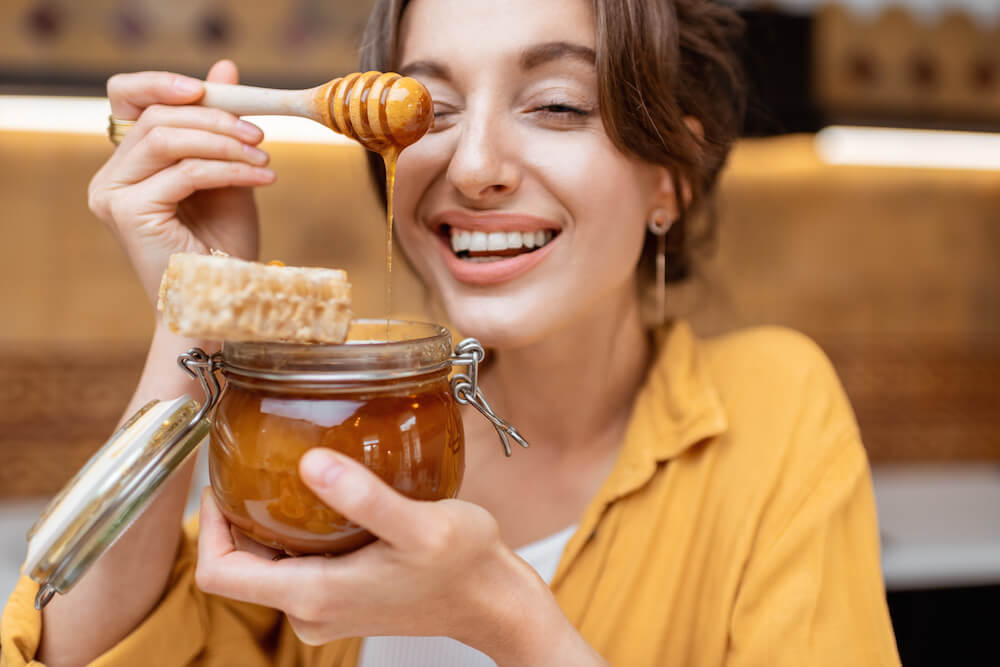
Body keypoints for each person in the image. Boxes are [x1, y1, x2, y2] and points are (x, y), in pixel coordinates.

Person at [1, 1, 901, 665]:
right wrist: (200, 301)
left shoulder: (774, 408)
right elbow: (79, 645)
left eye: (555, 104)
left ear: (671, 177)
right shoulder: (348, 423)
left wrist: (505, 618)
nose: (473, 168)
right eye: (428, 111)